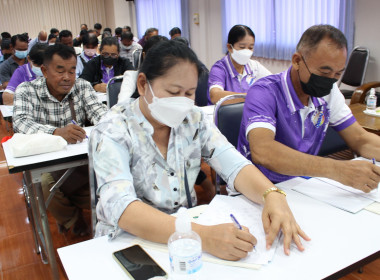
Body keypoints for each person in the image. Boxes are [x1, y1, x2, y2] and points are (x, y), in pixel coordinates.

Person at [90, 40, 309, 259]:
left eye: (189, 93)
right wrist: (203, 236)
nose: (182, 102)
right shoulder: (113, 129)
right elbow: (123, 208)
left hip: (187, 238)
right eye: (173, 91)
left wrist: (272, 195)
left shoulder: (193, 119)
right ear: (142, 84)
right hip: (129, 242)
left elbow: (234, 164)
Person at [237, 24, 380, 192]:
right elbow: (263, 151)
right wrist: (337, 170)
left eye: (338, 74)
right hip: (261, 187)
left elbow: (360, 139)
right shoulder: (265, 91)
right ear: (297, 61)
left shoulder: (329, 92)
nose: (330, 81)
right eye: (324, 72)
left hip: (301, 183)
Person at [13, 44, 108, 235]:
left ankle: (79, 209)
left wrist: (111, 122)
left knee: (104, 181)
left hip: (79, 160)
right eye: (60, 70)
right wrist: (56, 132)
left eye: (72, 71)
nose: (67, 77)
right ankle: (72, 219)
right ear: (45, 71)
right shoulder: (27, 90)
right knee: (46, 184)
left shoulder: (82, 87)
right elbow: (20, 123)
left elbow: (100, 114)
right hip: (47, 162)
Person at [208, 25, 271, 104]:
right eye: (242, 47)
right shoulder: (220, 69)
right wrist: (250, 96)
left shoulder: (254, 66)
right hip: (223, 113)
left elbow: (274, 83)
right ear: (230, 47)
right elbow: (215, 96)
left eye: (250, 48)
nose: (247, 52)